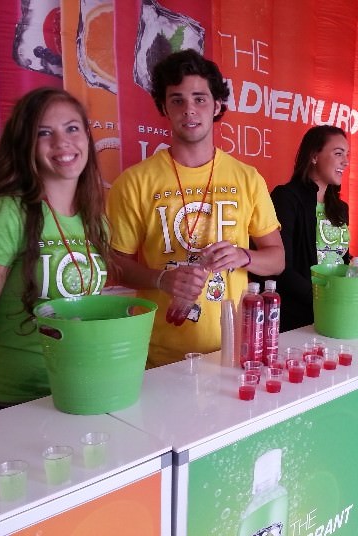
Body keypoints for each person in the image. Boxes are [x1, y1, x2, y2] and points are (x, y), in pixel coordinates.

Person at [107, 50, 284, 367]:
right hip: (158, 355)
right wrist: (162, 279)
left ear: (217, 105)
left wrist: (245, 256)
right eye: (177, 100)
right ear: (163, 107)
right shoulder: (134, 182)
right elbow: (114, 265)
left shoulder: (247, 178)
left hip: (234, 349)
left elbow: (277, 259)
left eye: (200, 99)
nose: (189, 110)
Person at [0, 88, 111, 417]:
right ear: (26, 145)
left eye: (72, 128)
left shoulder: (95, 220)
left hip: (74, 396)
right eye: (44, 133)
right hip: (8, 405)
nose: (62, 142)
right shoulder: (5, 214)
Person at [269, 125, 350, 332]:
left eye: (347, 155)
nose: (346, 162)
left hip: (336, 313)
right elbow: (282, 268)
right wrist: (323, 300)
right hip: (298, 320)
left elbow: (341, 257)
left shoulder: (340, 208)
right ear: (314, 156)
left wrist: (356, 291)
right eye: (338, 153)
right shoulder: (286, 197)